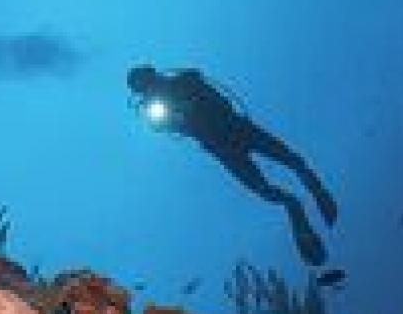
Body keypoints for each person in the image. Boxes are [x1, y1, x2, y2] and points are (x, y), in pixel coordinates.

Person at [127, 65, 341, 272]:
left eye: (148, 81)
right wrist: (169, 116)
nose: (150, 88)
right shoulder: (156, 109)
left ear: (155, 74)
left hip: (238, 129)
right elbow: (167, 127)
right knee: (263, 189)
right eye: (143, 88)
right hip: (224, 149)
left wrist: (191, 93)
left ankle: (318, 192)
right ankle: (294, 207)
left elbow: (210, 90)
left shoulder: (184, 80)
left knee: (292, 160)